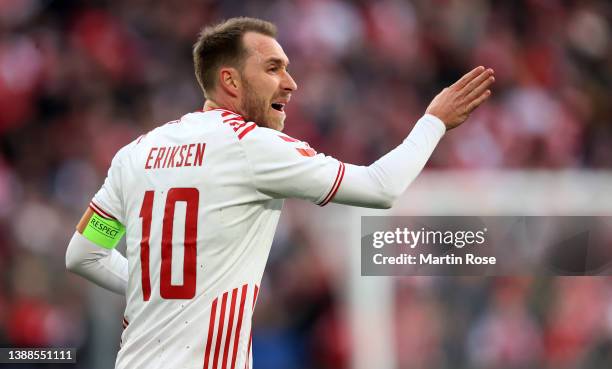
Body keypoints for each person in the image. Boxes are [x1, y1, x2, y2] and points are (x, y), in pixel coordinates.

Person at [66, 17, 494, 369]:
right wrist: (434, 121)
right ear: (230, 81)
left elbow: (85, 253)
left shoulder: (136, 154)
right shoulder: (251, 146)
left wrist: (153, 290)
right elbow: (381, 187)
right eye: (273, 69)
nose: (290, 83)